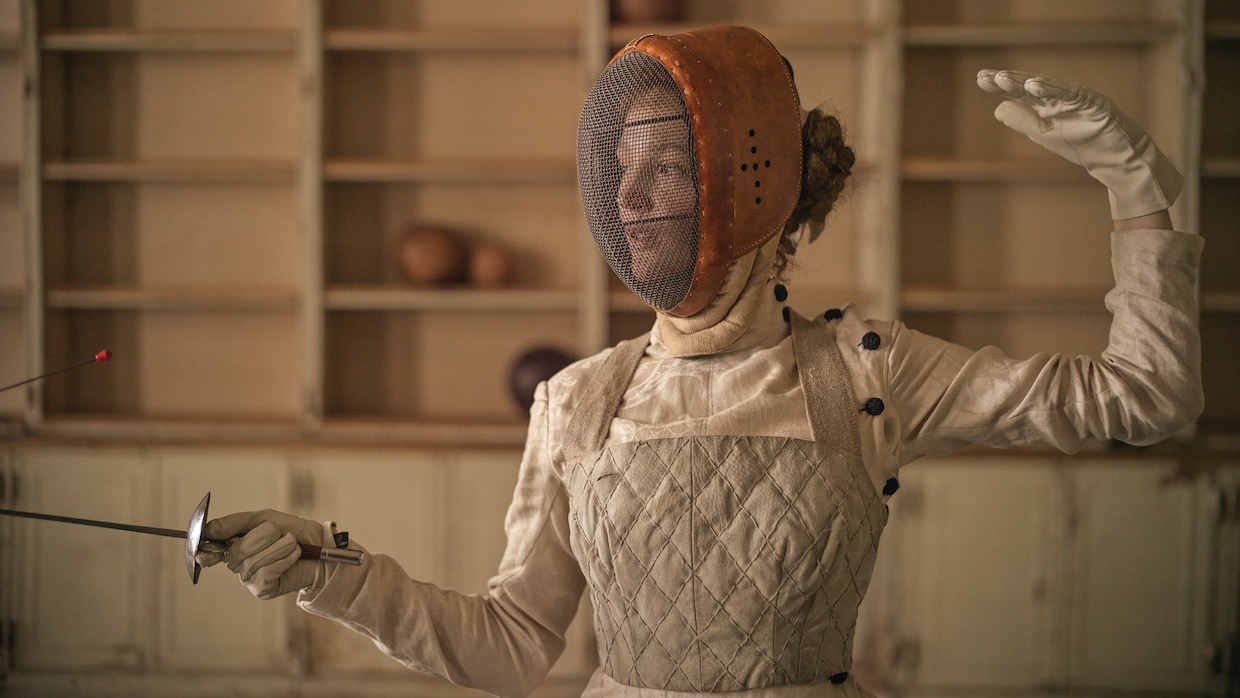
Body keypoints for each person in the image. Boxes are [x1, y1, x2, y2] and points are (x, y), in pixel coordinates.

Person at [198, 26, 1201, 698]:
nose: (630, 198)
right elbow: (510, 643)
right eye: (619, 169)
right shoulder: (578, 398)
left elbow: (1144, 397)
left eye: (666, 167)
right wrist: (326, 569)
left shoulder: (866, 372)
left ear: (753, 183)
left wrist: (1137, 195)